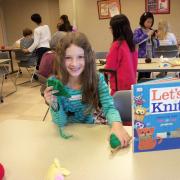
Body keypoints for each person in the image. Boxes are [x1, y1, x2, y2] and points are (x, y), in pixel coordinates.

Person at [44, 32, 131, 147]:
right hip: (67, 137)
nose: (74, 64)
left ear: (87, 57)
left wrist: (117, 125)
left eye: (80, 57)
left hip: (89, 132)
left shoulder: (96, 79)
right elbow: (61, 123)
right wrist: (54, 104)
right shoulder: (56, 83)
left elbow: (109, 107)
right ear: (61, 59)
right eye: (68, 58)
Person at [105, 14, 138, 95]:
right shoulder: (132, 44)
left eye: (111, 28)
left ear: (116, 29)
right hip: (132, 87)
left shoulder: (117, 45)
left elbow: (109, 69)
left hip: (119, 89)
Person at [133, 12, 159, 81]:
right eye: (148, 22)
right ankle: (140, 88)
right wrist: (147, 35)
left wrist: (156, 38)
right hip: (141, 57)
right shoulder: (138, 30)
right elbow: (135, 41)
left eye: (151, 22)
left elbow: (157, 45)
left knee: (148, 75)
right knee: (141, 76)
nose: (149, 24)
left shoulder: (151, 31)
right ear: (143, 21)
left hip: (150, 57)